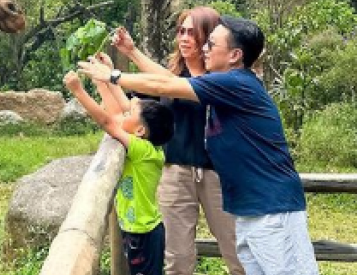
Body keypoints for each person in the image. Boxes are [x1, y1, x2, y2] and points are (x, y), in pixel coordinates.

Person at [77, 16, 318, 275]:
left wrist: (112, 76)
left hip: (272, 210)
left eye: (211, 44)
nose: (204, 48)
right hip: (252, 209)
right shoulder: (224, 85)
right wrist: (130, 55)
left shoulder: (236, 84)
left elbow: (164, 84)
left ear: (235, 55)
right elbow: (169, 80)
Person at [113, 7, 245, 275]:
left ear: (209, 38)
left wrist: (130, 56)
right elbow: (143, 97)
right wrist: (122, 60)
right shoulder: (170, 74)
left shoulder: (220, 78)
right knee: (178, 257)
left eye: (192, 33)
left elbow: (167, 84)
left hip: (217, 174)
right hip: (174, 172)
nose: (184, 38)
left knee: (236, 250)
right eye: (181, 31)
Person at [63, 66, 174, 275]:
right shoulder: (146, 144)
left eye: (130, 113)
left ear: (140, 131)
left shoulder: (143, 150)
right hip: (136, 230)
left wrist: (78, 91)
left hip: (144, 233)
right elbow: (115, 114)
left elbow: (107, 121)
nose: (125, 113)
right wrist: (101, 80)